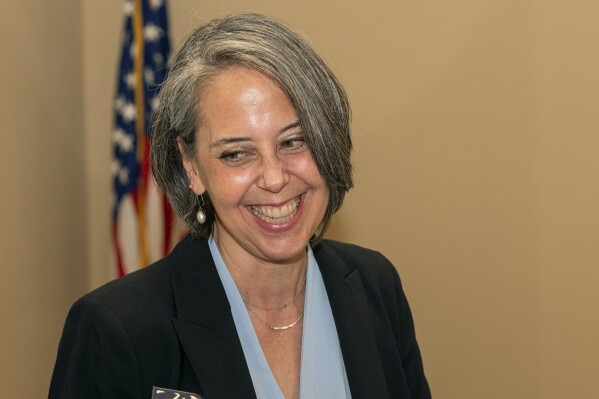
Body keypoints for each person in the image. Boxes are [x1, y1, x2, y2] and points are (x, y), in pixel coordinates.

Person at [49, 13, 431, 399]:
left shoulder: (375, 286)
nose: (274, 177)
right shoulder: (116, 329)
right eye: (236, 154)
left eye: (294, 141)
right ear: (191, 166)